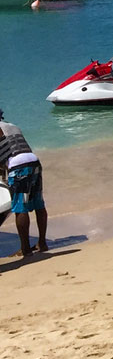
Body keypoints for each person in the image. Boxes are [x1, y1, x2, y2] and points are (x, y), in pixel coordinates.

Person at [1, 109, 47, 258]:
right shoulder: (12, 126)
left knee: (20, 207)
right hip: (33, 161)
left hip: (18, 166)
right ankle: (42, 242)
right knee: (38, 204)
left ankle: (26, 249)